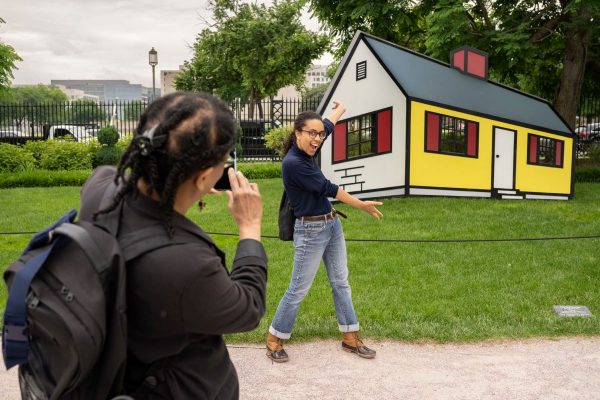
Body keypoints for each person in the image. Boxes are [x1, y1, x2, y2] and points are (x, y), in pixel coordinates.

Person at [78, 92, 267, 399]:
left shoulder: (100, 188)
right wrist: (250, 226)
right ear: (205, 176)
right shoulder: (186, 266)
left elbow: (126, 183)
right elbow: (248, 308)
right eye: (223, 161)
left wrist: (178, 190)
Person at [266, 101, 383, 363]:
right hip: (310, 231)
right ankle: (274, 337)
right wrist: (362, 205)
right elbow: (329, 188)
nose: (318, 138)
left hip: (332, 225)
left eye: (320, 135)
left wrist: (341, 109)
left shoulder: (310, 146)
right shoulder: (294, 163)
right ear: (297, 133)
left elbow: (327, 125)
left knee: (341, 282)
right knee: (298, 288)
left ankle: (350, 337)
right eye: (312, 133)